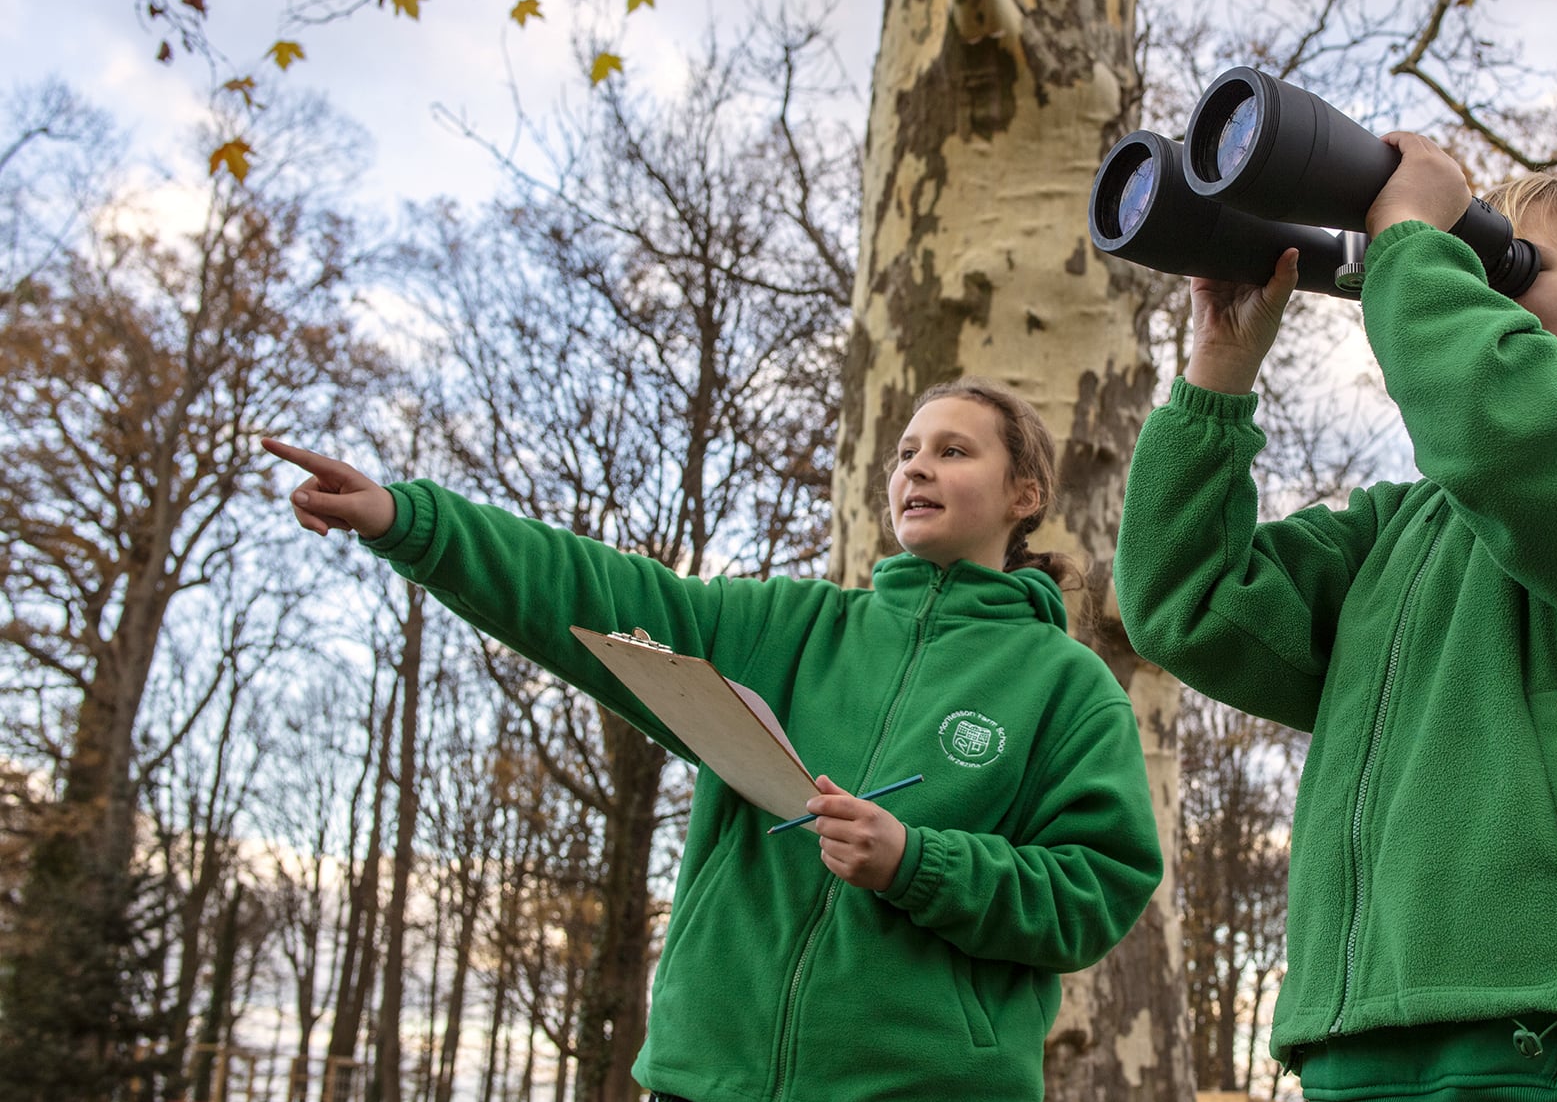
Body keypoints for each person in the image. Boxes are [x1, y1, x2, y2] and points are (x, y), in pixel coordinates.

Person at [264, 377, 1161, 1102]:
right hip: (701, 1077)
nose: (915, 468)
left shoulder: (1067, 686)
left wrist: (917, 862)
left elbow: (1097, 889)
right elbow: (597, 592)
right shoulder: (788, 626)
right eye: (905, 452)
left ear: (1025, 494)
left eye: (953, 450)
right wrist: (408, 521)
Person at [1114, 135, 1557, 1101]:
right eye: (1471, 257)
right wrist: (1219, 373)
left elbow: (1520, 439)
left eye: (1515, 261)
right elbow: (1189, 603)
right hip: (1369, 1034)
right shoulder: (1400, 530)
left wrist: (1416, 243)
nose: (1476, 283)